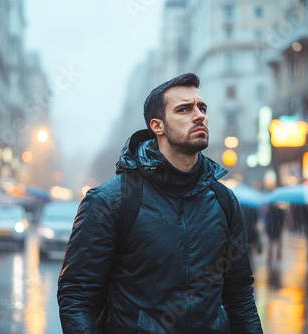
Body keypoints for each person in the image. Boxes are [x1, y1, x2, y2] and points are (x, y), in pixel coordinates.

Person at [57, 73, 263, 333]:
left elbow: (240, 294)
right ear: (158, 126)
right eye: (184, 109)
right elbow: (77, 296)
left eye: (202, 108)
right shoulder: (111, 201)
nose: (199, 115)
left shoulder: (223, 200)